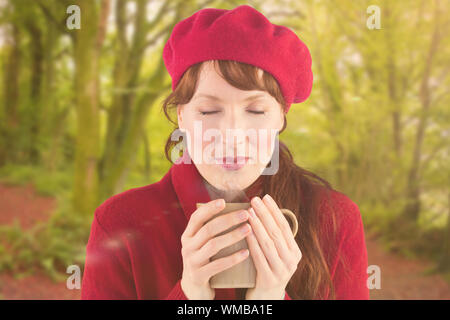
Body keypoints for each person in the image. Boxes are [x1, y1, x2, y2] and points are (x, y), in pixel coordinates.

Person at [81, 5, 369, 300]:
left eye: (256, 110)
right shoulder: (120, 224)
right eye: (208, 110)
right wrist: (189, 297)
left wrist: (267, 300)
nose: (232, 135)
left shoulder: (334, 220)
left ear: (280, 117)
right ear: (182, 116)